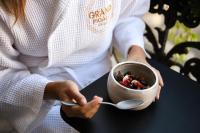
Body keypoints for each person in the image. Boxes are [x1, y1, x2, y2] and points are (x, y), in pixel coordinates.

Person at [0, 0, 164, 133]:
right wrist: (51, 90)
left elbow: (128, 15)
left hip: (103, 81)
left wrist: (136, 53)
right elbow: (3, 73)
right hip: (35, 97)